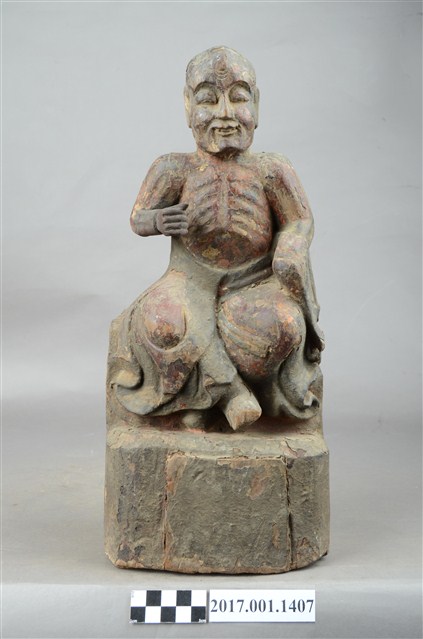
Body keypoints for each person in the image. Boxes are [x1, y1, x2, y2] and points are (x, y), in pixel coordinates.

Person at [109, 46, 324, 431]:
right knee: (161, 320)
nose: (225, 113)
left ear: (257, 105)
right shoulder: (173, 168)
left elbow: (300, 220)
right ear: (188, 106)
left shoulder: (271, 169)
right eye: (208, 100)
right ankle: (229, 394)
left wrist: (291, 246)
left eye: (238, 98)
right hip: (189, 278)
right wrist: (157, 220)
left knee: (281, 327)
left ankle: (203, 400)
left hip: (254, 280)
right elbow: (138, 217)